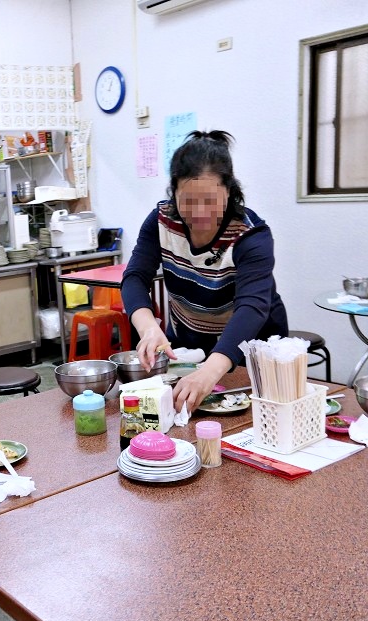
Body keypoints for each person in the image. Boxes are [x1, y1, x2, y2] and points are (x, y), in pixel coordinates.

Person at [121, 130, 288, 413]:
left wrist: (212, 370)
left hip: (250, 348)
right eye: (188, 200)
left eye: (210, 200)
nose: (199, 212)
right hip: (190, 343)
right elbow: (135, 277)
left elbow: (252, 307)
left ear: (229, 191)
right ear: (173, 191)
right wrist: (148, 328)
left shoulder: (251, 235)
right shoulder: (160, 222)